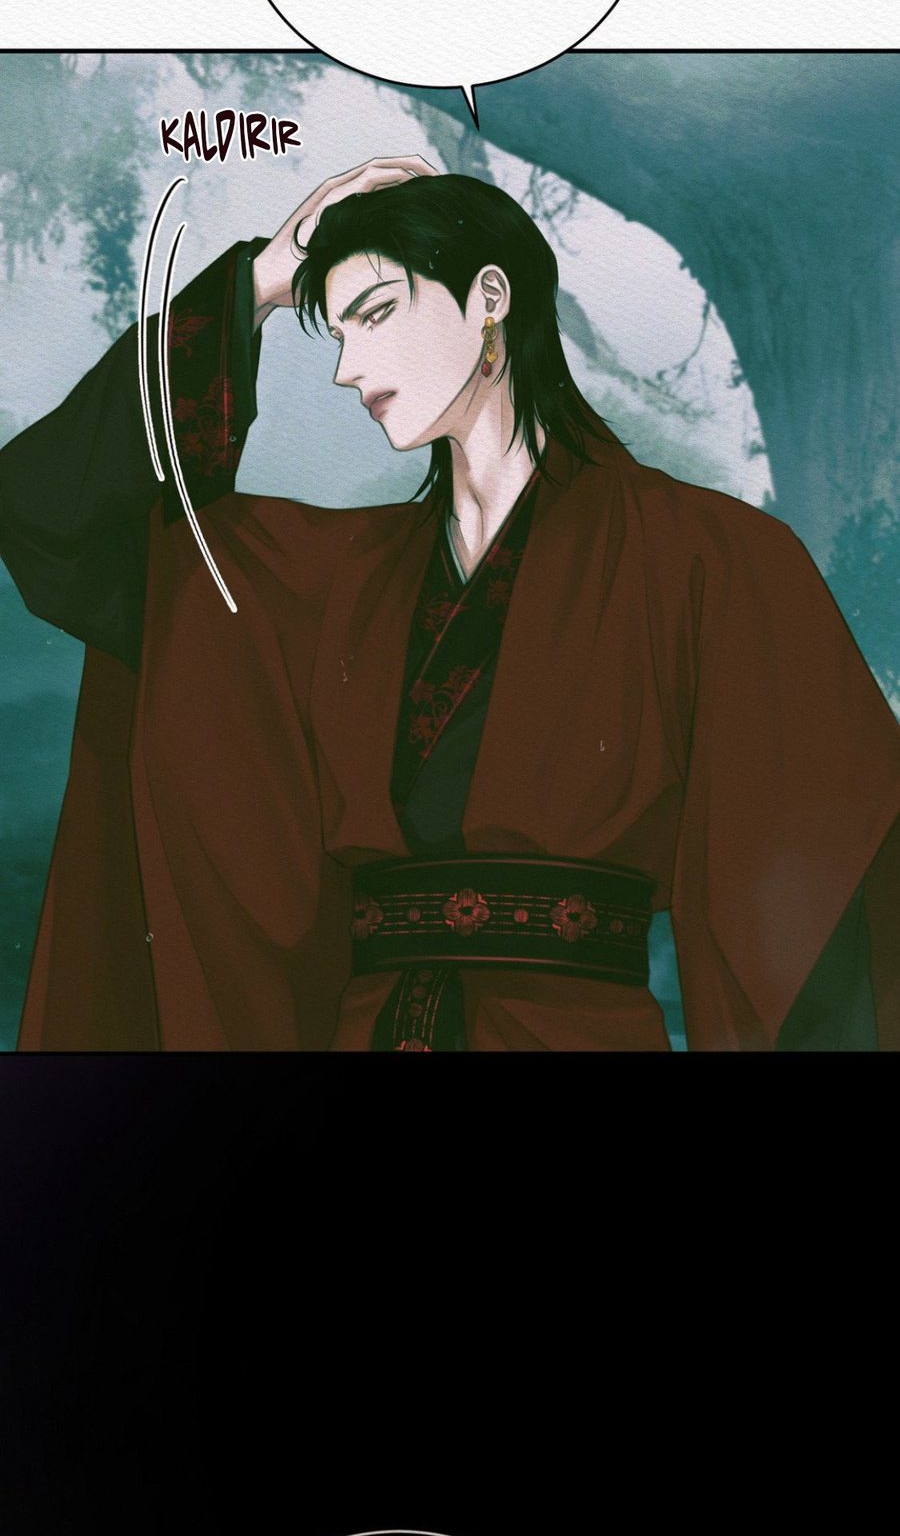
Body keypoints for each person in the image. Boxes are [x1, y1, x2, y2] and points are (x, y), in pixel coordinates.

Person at [2, 162, 899, 1055]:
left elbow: (826, 880)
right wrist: (259, 281)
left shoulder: (707, 556)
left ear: (489, 299)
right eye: (337, 335)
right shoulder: (339, 577)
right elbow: (53, 517)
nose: (349, 369)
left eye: (378, 314)